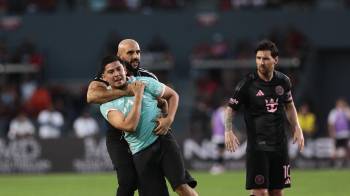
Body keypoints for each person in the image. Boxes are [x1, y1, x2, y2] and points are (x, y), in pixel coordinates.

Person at [86, 39, 196, 196]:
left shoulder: (145, 77)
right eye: (130, 53)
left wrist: (167, 118)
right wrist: (131, 91)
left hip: (153, 135)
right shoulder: (104, 78)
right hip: (119, 136)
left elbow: (165, 100)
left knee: (180, 183)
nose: (135, 56)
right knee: (128, 182)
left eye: (138, 52)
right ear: (119, 56)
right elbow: (91, 96)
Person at [224, 40, 304, 196]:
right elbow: (230, 109)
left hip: (280, 146)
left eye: (266, 58)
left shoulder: (283, 81)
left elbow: (289, 105)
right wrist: (228, 130)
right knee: (261, 193)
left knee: (277, 193)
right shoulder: (247, 83)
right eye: (258, 58)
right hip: (257, 148)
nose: (261, 62)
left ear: (275, 60)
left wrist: (297, 127)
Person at [328, 97, 350, 167]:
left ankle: (347, 163)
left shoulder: (347, 111)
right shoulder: (333, 112)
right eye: (339, 104)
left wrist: (345, 110)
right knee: (335, 150)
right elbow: (331, 124)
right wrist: (332, 133)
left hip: (346, 134)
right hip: (337, 135)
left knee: (347, 149)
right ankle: (334, 164)